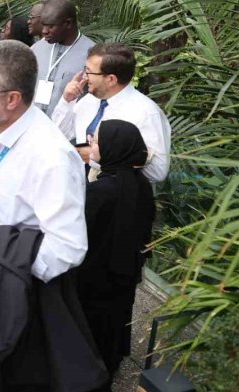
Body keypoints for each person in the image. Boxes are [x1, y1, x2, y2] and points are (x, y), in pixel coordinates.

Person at [0, 40, 98, 390]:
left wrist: (7, 261)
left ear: (12, 98)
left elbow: (68, 247)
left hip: (23, 289)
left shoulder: (50, 156)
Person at [77, 119, 155, 380]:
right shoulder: (142, 184)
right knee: (118, 316)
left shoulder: (100, 191)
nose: (91, 143)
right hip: (125, 274)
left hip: (94, 279)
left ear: (113, 147)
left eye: (96, 139)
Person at [52, 42, 171, 183]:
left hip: (119, 198)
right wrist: (67, 101)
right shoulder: (89, 101)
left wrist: (95, 158)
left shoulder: (146, 113)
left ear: (111, 79)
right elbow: (59, 136)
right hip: (81, 188)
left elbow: (157, 172)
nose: (85, 76)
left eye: (89, 71)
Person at [29, 0, 96, 116]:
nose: (44, 31)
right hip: (35, 126)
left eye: (50, 26)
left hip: (68, 129)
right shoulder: (37, 48)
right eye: (43, 25)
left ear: (68, 23)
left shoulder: (92, 54)